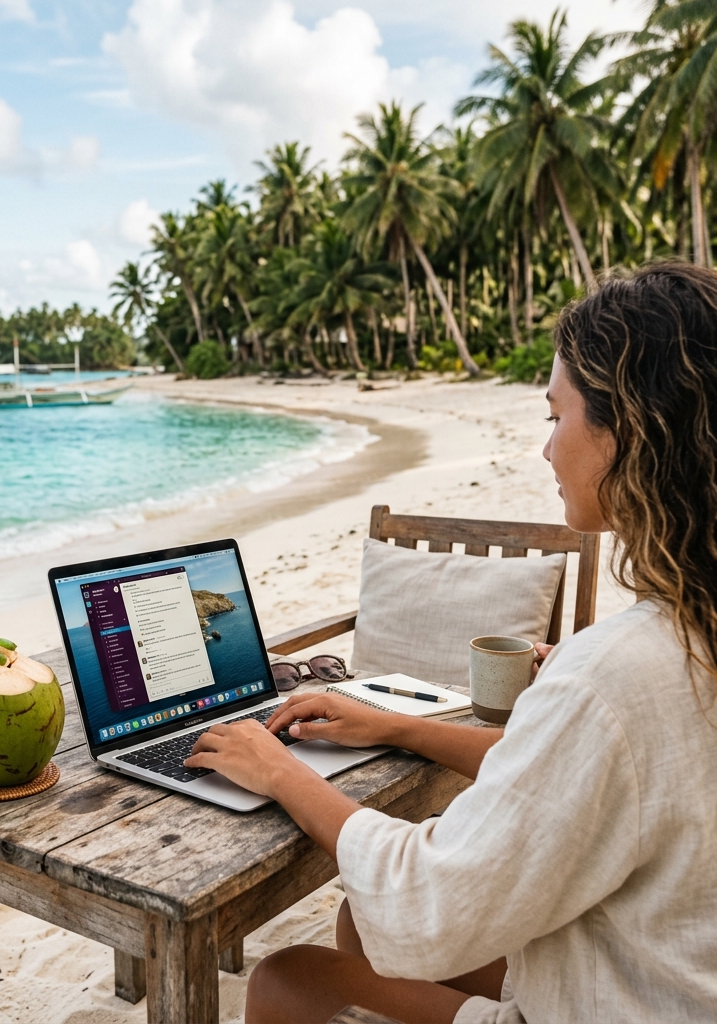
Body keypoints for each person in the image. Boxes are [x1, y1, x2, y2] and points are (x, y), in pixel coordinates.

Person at [186, 261, 717, 1024]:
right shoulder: (687, 625)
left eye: (554, 417)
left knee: (290, 977)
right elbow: (573, 771)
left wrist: (280, 772)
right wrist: (398, 726)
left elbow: (432, 901)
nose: (545, 450)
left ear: (628, 429)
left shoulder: (615, 676)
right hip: (668, 967)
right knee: (355, 928)